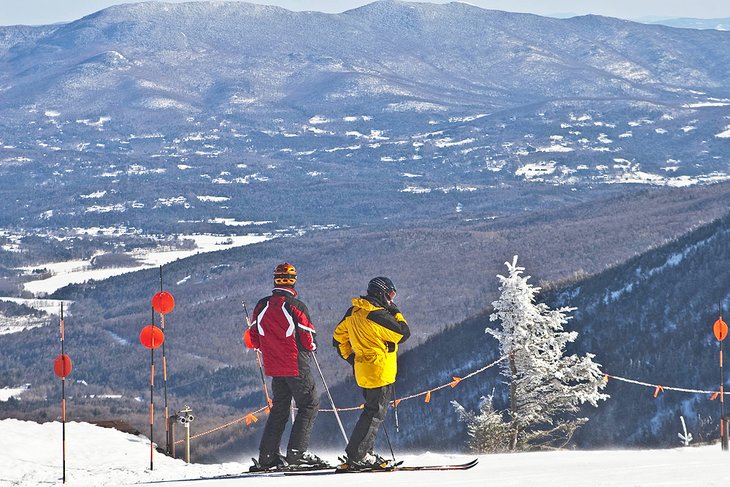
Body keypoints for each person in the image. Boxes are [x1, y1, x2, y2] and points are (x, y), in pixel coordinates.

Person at [247, 262, 325, 470]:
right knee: (309, 403)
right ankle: (297, 453)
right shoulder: (295, 306)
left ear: (275, 280)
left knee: (280, 408)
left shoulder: (261, 306)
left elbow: (254, 339)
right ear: (293, 281)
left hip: (273, 365)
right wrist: (313, 346)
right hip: (295, 363)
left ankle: (267, 456)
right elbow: (308, 338)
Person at [332, 276, 410, 471]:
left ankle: (364, 452)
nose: (391, 300)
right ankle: (358, 455)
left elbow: (338, 338)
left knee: (371, 411)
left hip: (363, 370)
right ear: (381, 293)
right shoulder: (377, 315)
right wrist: (396, 312)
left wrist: (352, 358)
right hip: (380, 371)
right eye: (390, 295)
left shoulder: (353, 312)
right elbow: (403, 333)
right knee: (375, 414)